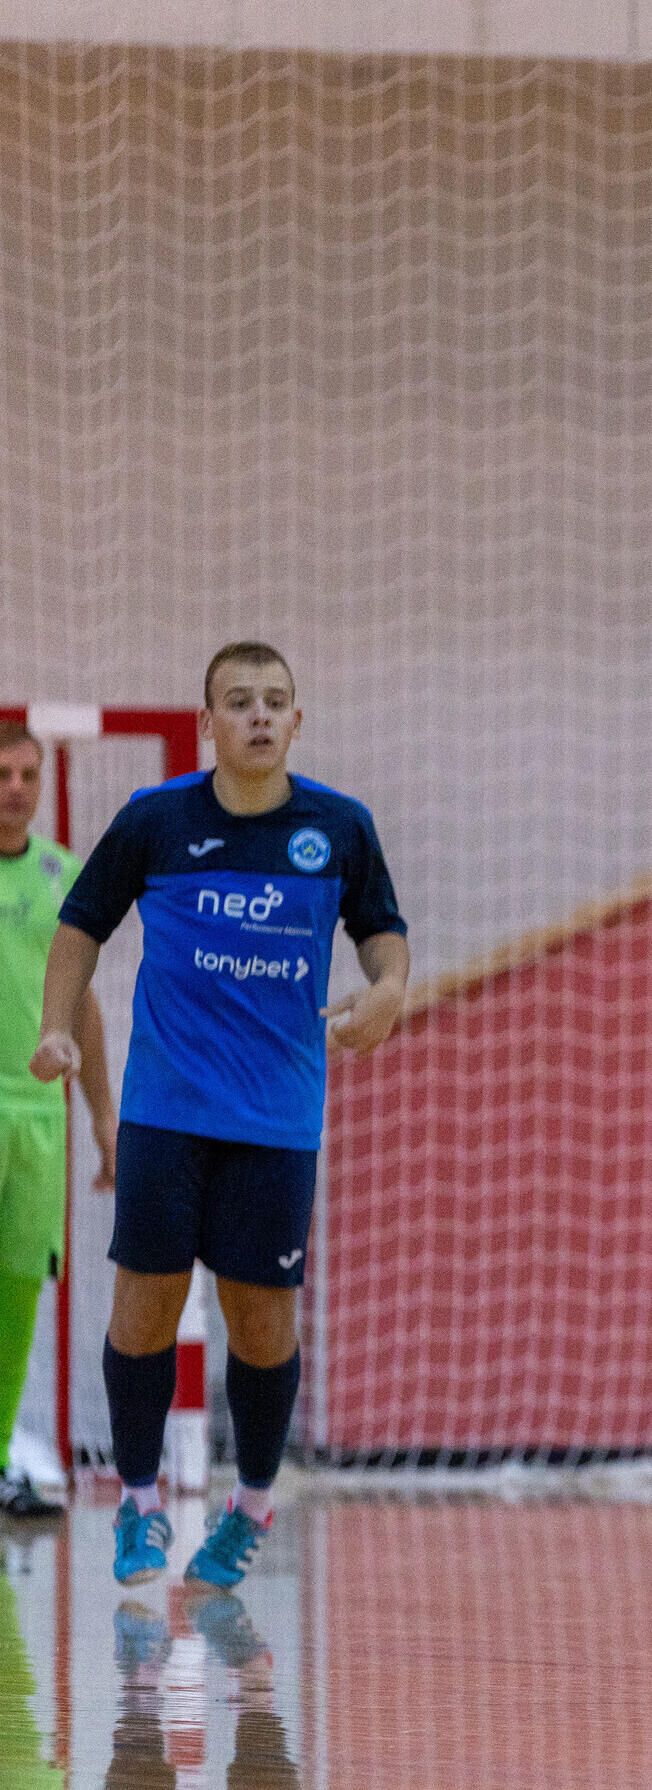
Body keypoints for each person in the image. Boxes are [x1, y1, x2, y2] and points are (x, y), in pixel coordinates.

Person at [33, 642, 409, 1590]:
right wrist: (56, 1028)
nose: (259, 715)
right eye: (239, 701)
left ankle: (250, 1507)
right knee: (144, 1305)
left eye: (275, 701)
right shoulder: (155, 820)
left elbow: (382, 936)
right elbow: (80, 925)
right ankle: (141, 1502)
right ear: (208, 723)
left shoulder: (340, 827)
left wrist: (387, 991)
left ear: (297, 721)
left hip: (276, 1120)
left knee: (261, 1322)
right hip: (164, 1113)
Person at [0, 720, 118, 1519]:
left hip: (41, 1117)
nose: (15, 788)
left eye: (28, 774)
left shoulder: (63, 876)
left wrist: (104, 1119)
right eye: (2, 773)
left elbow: (83, 1005)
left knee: (18, 1298)